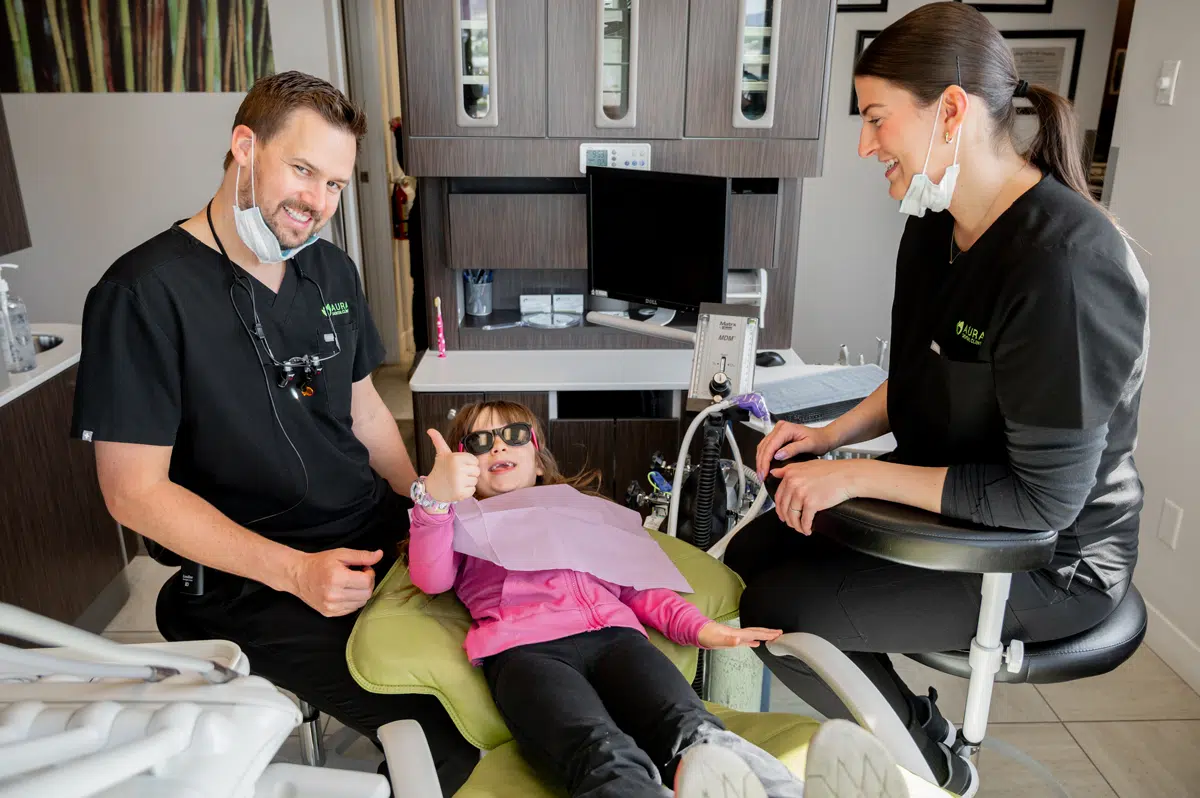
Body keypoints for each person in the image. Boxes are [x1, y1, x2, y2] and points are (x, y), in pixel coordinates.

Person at [723, 4, 1150, 796]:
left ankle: (927, 761)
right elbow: (928, 373)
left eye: (877, 118)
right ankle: (898, 733)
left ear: (951, 111)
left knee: (788, 607)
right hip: (960, 507)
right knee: (749, 560)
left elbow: (1043, 500)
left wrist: (855, 476)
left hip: (1049, 557)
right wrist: (829, 436)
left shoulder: (1066, 269)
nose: (864, 144)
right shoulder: (933, 227)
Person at [69, 71, 479, 793]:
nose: (317, 203)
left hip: (369, 527)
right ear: (244, 147)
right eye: (302, 170)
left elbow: (364, 411)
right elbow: (132, 494)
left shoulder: (329, 271)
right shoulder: (142, 295)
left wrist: (423, 499)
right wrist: (295, 573)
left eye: (336, 185)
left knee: (517, 640)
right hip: (252, 581)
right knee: (445, 723)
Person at [407, 399, 813, 798]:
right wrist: (434, 499)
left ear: (540, 460)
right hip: (526, 653)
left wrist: (700, 628)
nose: (498, 446)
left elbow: (638, 585)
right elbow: (431, 577)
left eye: (513, 435)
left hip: (617, 641)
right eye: (480, 441)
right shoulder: (455, 523)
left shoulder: (584, 512)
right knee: (599, 749)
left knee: (692, 728)